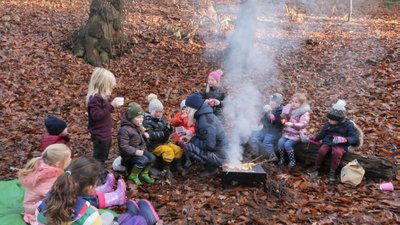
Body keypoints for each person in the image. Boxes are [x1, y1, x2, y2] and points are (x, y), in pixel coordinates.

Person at [36, 157, 154, 225]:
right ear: (90, 187)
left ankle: (130, 215)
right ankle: (144, 218)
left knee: (112, 219)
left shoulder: (42, 204)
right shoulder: (88, 214)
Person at [302, 100, 363, 183]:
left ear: (339, 120)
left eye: (332, 120)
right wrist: (312, 138)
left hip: (340, 144)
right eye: (329, 119)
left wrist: (345, 139)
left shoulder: (348, 125)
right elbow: (321, 134)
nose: (329, 121)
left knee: (337, 153)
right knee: (322, 150)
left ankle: (332, 171)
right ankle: (317, 166)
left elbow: (354, 137)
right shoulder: (328, 124)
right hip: (328, 141)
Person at [18, 144, 72, 224]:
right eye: (69, 158)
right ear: (58, 164)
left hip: (32, 204)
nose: (71, 160)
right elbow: (55, 196)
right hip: (35, 209)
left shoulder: (43, 166)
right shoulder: (49, 178)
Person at [183, 93, 228, 177]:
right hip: (221, 151)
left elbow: (210, 145)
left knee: (189, 147)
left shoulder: (205, 121)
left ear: (193, 108)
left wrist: (191, 139)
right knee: (191, 144)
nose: (186, 110)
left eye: (188, 108)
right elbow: (204, 138)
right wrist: (191, 137)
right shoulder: (204, 115)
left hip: (220, 155)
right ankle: (210, 164)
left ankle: (211, 167)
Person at [86, 67, 121, 165]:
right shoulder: (95, 98)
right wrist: (111, 106)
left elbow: (103, 112)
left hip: (105, 133)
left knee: (104, 155)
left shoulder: (101, 97)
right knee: (99, 158)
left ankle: (100, 172)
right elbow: (96, 116)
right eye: (110, 85)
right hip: (99, 134)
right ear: (103, 84)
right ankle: (96, 175)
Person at [143, 94, 183, 178]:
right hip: (154, 145)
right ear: (152, 112)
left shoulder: (163, 119)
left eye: (161, 112)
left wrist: (169, 129)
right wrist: (162, 133)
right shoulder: (147, 122)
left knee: (178, 149)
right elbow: (150, 134)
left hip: (164, 142)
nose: (159, 114)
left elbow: (166, 132)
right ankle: (166, 170)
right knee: (168, 151)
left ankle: (177, 166)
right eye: (157, 112)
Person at [118, 102, 156, 186]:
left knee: (152, 157)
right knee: (143, 160)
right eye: (138, 117)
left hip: (140, 150)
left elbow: (139, 139)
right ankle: (133, 176)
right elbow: (123, 147)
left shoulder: (137, 126)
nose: (141, 120)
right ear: (131, 118)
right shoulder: (124, 130)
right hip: (129, 155)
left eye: (142, 117)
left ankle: (144, 174)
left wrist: (145, 136)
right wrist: (135, 151)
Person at [278, 93, 311, 168]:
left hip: (297, 133)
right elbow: (284, 119)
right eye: (292, 101)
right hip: (288, 132)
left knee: (287, 144)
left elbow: (303, 124)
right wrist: (283, 116)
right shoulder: (290, 109)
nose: (293, 103)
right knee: (280, 142)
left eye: (296, 102)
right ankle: (282, 159)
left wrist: (293, 124)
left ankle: (292, 161)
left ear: (301, 104)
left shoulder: (304, 112)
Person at [248, 93, 284, 161]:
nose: (271, 102)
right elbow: (264, 118)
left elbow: (281, 123)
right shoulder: (268, 108)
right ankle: (255, 153)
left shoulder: (281, 111)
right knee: (254, 138)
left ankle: (273, 156)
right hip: (265, 129)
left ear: (278, 103)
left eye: (273, 101)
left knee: (266, 142)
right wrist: (259, 120)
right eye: (270, 101)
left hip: (274, 131)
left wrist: (274, 119)